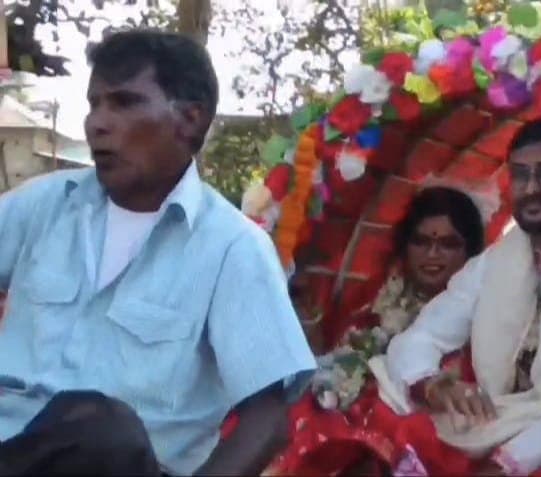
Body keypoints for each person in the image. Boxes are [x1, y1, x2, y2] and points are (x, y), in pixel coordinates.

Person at [0, 30, 315, 476]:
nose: (97, 123)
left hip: (122, 464)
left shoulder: (232, 248)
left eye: (123, 103)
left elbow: (268, 421)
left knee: (105, 431)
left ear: (190, 120)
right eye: (94, 104)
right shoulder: (44, 206)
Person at [373, 119, 541, 476]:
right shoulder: (493, 263)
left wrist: (508, 463)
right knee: (390, 410)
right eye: (520, 175)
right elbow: (421, 336)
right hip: (501, 421)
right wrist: (434, 384)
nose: (531, 188)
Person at [267, 185, 487, 476]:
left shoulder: (477, 318)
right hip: (340, 406)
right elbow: (334, 352)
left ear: (470, 252)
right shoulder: (378, 293)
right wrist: (308, 315)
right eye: (421, 242)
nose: (432, 254)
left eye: (448, 244)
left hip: (415, 431)